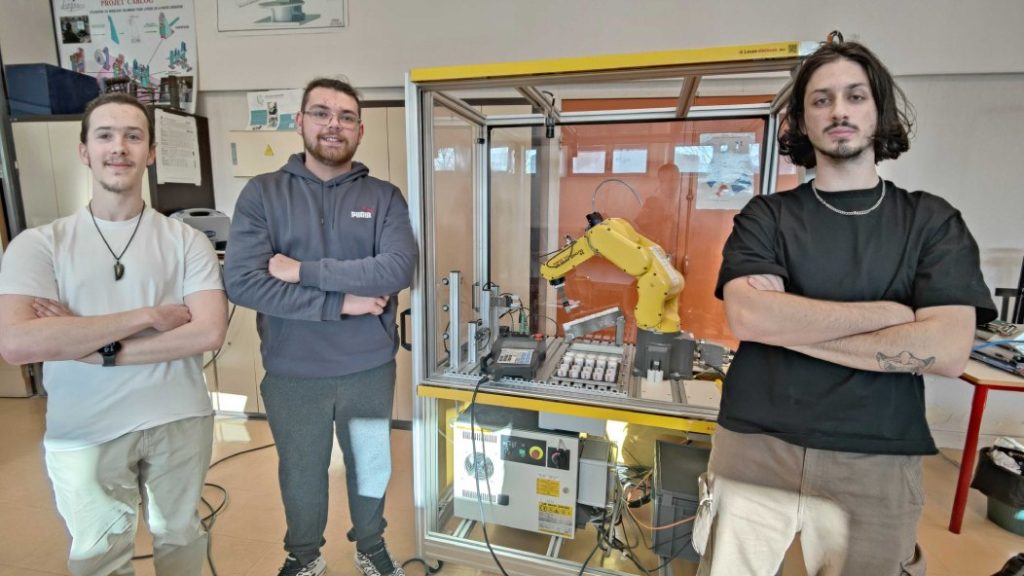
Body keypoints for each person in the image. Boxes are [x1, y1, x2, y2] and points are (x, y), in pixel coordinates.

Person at [699, 41, 997, 576]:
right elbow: (746, 317)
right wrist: (895, 314)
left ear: (877, 110)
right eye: (821, 100)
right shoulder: (766, 215)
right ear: (802, 123)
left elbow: (948, 350)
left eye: (854, 96)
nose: (839, 111)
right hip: (754, 445)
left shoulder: (931, 221)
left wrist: (783, 322)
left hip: (876, 454)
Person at [0, 92, 227, 575]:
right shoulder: (39, 246)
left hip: (178, 419)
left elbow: (208, 332)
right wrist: (146, 316)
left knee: (181, 538)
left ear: (151, 152)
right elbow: (19, 344)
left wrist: (85, 343)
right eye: (104, 135)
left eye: (132, 136)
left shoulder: (186, 241)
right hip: (84, 431)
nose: (118, 147)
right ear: (84, 150)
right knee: (98, 555)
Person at [224, 77, 418, 576]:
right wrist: (342, 303)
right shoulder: (263, 194)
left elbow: (397, 269)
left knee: (371, 465)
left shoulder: (384, 196)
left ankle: (371, 546)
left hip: (368, 368)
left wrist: (303, 270)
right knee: (302, 472)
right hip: (293, 371)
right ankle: (304, 555)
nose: (334, 124)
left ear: (360, 129)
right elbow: (245, 284)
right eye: (321, 113)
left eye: (346, 116)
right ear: (300, 122)